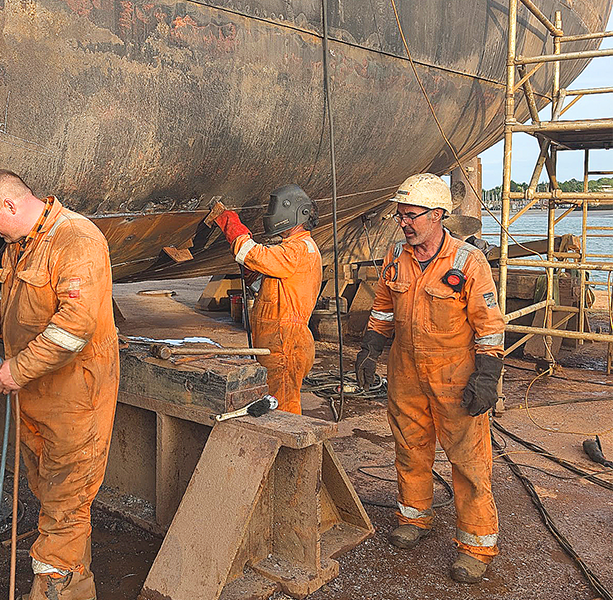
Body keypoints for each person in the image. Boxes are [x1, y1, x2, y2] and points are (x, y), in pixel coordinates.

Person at [0, 170, 119, 600]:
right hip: (40, 402)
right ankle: (74, 585)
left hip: (76, 401)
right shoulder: (22, 245)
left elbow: (74, 327)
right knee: (55, 502)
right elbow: (8, 301)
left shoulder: (76, 240)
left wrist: (17, 369)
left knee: (65, 508)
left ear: (11, 205)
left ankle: (53, 593)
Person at [354, 173, 504, 584]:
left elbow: (489, 325)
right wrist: (370, 347)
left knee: (468, 459)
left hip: (454, 373)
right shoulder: (394, 257)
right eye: (399, 215)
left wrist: (488, 374)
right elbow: (384, 307)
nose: (403, 222)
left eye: (411, 215)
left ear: (437, 215)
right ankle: (414, 518)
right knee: (410, 448)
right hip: (405, 370)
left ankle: (476, 545)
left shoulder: (467, 262)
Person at [212, 184, 323, 414]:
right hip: (281, 341)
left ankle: (288, 449)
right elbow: (274, 282)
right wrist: (255, 276)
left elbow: (252, 253)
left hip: (285, 344)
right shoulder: (294, 249)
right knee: (277, 403)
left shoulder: (297, 250)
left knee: (283, 410)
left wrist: (230, 223)